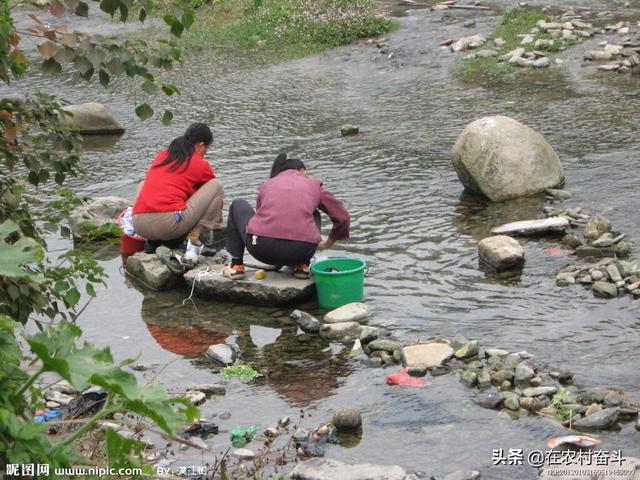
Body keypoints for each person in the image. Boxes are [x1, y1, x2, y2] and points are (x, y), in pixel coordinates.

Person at [223, 153, 350, 280]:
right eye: (306, 173)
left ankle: (236, 266)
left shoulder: (267, 184)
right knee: (314, 212)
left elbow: (260, 217)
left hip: (261, 250)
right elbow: (342, 217)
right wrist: (327, 243)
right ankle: (302, 266)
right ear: (301, 171)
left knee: (237, 204)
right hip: (301, 251)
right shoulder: (314, 185)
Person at [132, 123, 224, 266]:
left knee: (143, 184)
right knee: (217, 185)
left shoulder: (162, 155)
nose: (205, 153)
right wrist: (216, 220)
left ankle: (152, 242)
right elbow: (214, 195)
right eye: (206, 149)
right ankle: (193, 238)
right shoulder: (200, 163)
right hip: (168, 226)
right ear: (200, 145)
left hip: (139, 225)